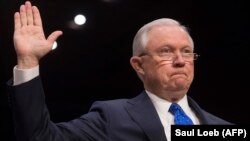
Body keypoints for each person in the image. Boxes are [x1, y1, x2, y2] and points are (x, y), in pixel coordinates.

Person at [7, 1, 232, 141]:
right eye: (165, 51)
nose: (180, 61)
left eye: (186, 51)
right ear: (138, 65)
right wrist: (27, 62)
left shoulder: (224, 129)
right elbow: (39, 138)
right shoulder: (111, 118)